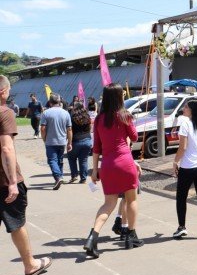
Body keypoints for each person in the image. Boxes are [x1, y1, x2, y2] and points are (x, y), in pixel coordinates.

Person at [0, 75, 52, 275]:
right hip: (3, 182)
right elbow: (6, 148)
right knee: (16, 223)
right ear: (3, 92)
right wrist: (13, 180)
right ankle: (30, 264)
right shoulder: (5, 113)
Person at [83, 83, 144, 258]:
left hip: (108, 165)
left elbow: (96, 147)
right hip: (125, 163)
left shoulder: (99, 119)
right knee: (131, 200)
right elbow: (134, 137)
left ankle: (93, 236)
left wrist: (95, 170)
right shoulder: (125, 116)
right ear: (119, 97)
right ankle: (130, 235)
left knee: (108, 204)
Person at [171, 99, 197, 240]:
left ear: (192, 110)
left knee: (181, 197)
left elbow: (182, 147)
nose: (184, 108)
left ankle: (181, 228)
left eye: (186, 106)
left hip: (188, 167)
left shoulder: (185, 123)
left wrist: (175, 162)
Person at [40, 93, 72, 189]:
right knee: (59, 160)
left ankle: (58, 177)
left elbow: (42, 129)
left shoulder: (46, 113)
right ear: (59, 101)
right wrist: (69, 142)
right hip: (62, 141)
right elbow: (69, 129)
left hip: (50, 141)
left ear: (50, 102)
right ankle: (60, 177)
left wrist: (44, 139)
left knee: (52, 160)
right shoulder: (66, 113)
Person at [67, 102, 92, 183]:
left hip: (76, 141)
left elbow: (70, 130)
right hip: (87, 140)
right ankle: (83, 178)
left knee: (71, 158)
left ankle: (74, 175)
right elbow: (90, 128)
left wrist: (69, 143)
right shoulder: (87, 116)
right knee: (84, 160)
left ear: (75, 108)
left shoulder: (72, 117)